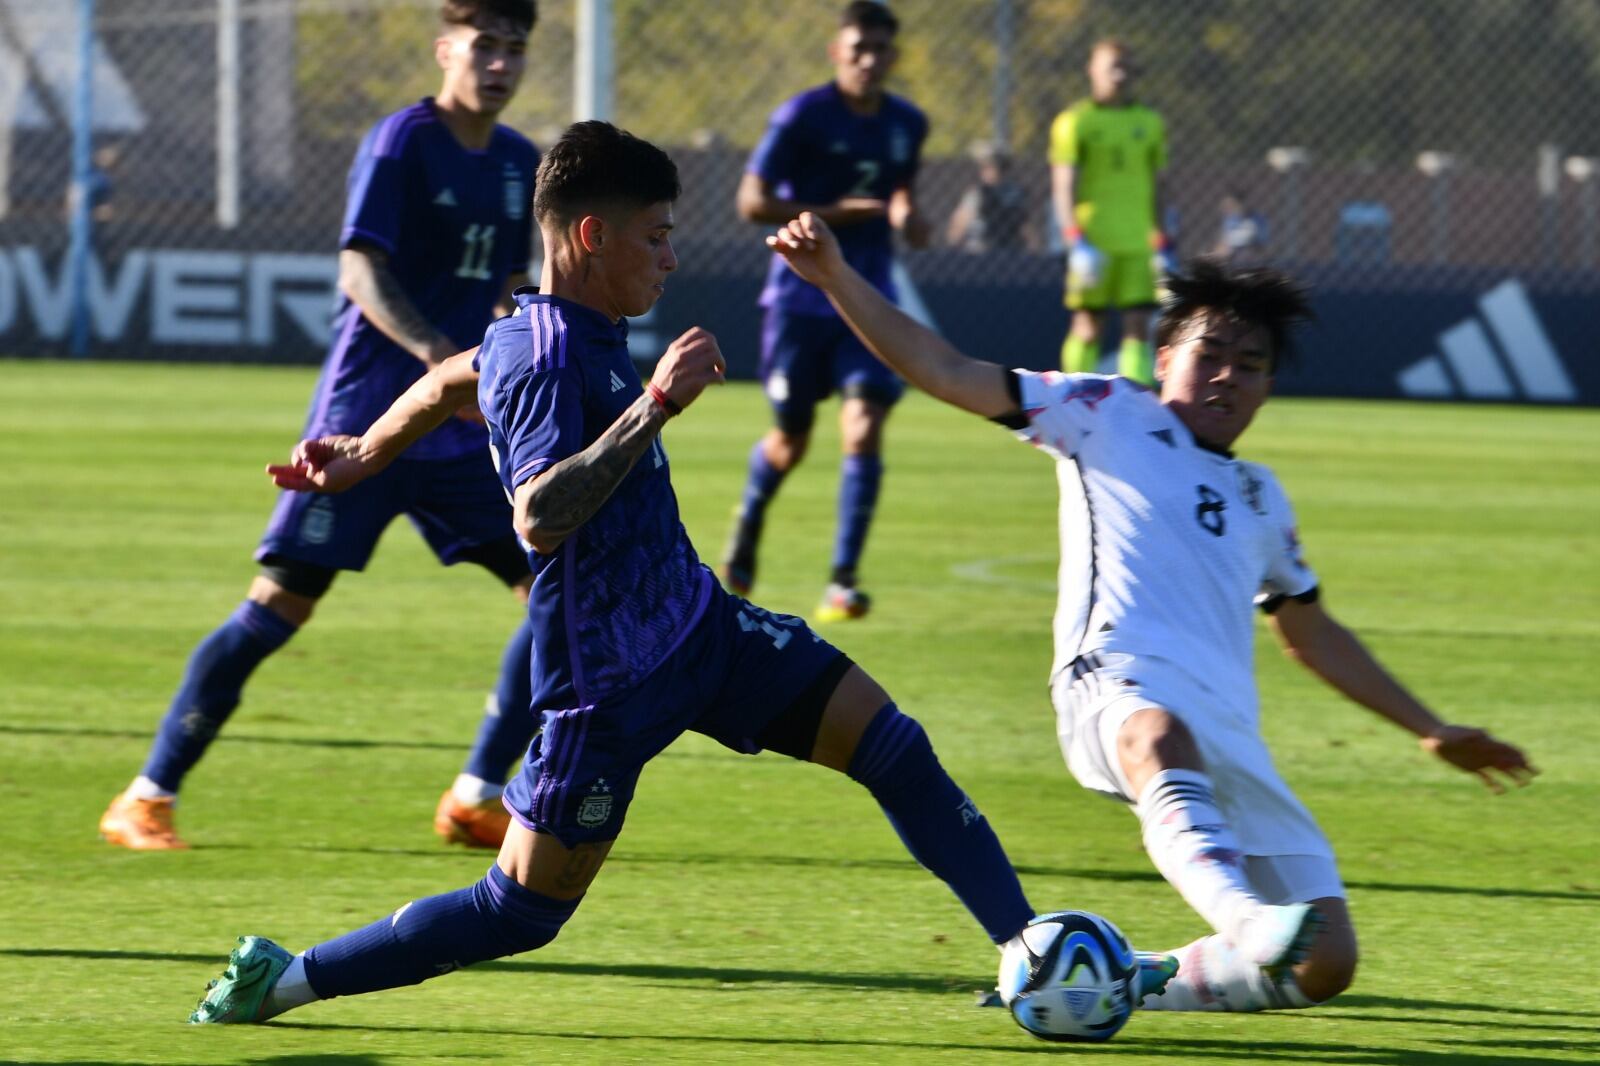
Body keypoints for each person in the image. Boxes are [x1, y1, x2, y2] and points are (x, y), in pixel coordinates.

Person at [186, 120, 1129, 1027]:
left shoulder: (554, 328)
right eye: (657, 236)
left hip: (701, 631)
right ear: (593, 237)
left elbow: (446, 381)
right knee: (518, 912)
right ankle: (286, 979)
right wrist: (653, 407)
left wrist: (364, 454)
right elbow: (538, 516)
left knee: (891, 746)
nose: (671, 258)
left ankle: (1028, 948)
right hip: (607, 686)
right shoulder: (549, 356)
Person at [761, 211, 1538, 1013]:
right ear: (1165, 358)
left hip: (1227, 729)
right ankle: (1246, 920)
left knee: (1327, 963)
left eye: (1251, 365)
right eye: (1209, 354)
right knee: (1159, 739)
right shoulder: (1105, 411)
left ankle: (1121, 982)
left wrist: (1429, 727)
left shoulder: (1261, 495)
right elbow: (946, 368)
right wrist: (837, 277)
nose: (1227, 376)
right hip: (1115, 682)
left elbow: (1310, 632)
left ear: (1269, 386)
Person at [99, 0, 543, 852]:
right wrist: (438, 356)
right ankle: (146, 796)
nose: (499, 63)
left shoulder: (520, 161)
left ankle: (476, 795)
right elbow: (358, 267)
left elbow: (508, 284)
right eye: (483, 45)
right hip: (363, 424)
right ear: (445, 49)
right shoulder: (401, 142)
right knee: (280, 605)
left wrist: (523, 347)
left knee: (558, 590)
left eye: (514, 49)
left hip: (458, 432)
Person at [720, 0, 930, 622]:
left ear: (893, 56)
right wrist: (835, 215)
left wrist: (909, 217)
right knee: (791, 440)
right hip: (798, 301)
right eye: (858, 48)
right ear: (837, 51)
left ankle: (843, 580)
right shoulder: (803, 116)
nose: (869, 61)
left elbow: (900, 195)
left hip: (867, 299)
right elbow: (752, 202)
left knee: (863, 426)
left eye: (880, 50)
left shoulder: (907, 123)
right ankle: (750, 517)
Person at [1049, 39, 1169, 385]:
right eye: (1112, 68)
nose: (1119, 76)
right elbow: (1063, 185)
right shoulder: (1075, 121)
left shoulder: (1149, 122)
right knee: (1088, 325)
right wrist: (1075, 240)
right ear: (1092, 70)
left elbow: (1160, 184)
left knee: (1138, 326)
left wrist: (1163, 239)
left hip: (1137, 241)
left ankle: (1136, 403)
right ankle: (1073, 397)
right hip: (1093, 241)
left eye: (1125, 68)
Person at [945, 141, 1031, 254]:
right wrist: (952, 247)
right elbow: (959, 224)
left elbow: (1024, 225)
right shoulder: (976, 193)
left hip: (1009, 248)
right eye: (985, 167)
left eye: (993, 167)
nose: (988, 171)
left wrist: (1033, 250)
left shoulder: (1013, 192)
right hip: (980, 249)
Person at [1213, 191, 1269, 265]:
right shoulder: (1229, 220)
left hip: (1251, 253)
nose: (1227, 209)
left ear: (1240, 204)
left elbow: (1260, 240)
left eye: (1231, 206)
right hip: (1232, 256)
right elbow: (1224, 242)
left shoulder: (1257, 219)